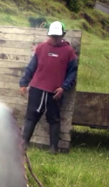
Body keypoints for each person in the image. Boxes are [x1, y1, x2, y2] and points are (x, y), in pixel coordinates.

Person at [19, 21, 79, 154]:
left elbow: (72, 72)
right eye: (53, 36)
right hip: (37, 88)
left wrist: (64, 87)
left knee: (54, 118)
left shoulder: (68, 51)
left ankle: (53, 148)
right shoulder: (41, 48)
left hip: (55, 91)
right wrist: (24, 83)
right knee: (31, 117)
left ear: (63, 34)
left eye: (58, 36)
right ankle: (23, 144)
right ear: (49, 35)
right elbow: (31, 67)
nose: (55, 39)